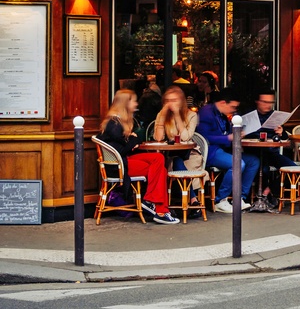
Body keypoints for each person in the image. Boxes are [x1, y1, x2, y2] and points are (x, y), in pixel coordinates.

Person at [98, 89, 180, 225]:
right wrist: (133, 140)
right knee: (161, 170)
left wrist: (131, 139)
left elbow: (123, 146)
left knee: (158, 159)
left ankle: (153, 204)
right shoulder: (114, 124)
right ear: (125, 103)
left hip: (122, 161)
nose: (136, 104)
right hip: (119, 166)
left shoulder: (116, 122)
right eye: (133, 101)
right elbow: (124, 149)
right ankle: (160, 210)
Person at [196, 87, 260, 213]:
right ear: (222, 103)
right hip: (211, 151)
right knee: (237, 164)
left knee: (254, 161)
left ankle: (239, 198)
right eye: (233, 107)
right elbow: (203, 137)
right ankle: (221, 200)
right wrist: (229, 138)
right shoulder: (206, 113)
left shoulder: (223, 114)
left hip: (223, 150)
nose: (234, 110)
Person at [153, 86, 204, 217]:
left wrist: (177, 115)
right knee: (175, 160)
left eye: (174, 100)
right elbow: (158, 138)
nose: (171, 103)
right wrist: (163, 115)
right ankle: (193, 200)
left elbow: (185, 137)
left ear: (181, 101)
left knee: (177, 161)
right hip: (169, 154)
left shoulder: (192, 115)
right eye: (168, 100)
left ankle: (187, 200)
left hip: (190, 154)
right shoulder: (162, 115)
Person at [244, 90, 297, 204]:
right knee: (263, 170)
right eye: (264, 102)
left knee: (293, 169)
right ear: (257, 102)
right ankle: (254, 199)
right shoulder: (249, 116)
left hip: (271, 152)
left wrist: (280, 132)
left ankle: (267, 192)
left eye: (270, 102)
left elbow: (283, 138)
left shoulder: (275, 116)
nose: (267, 105)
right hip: (254, 153)